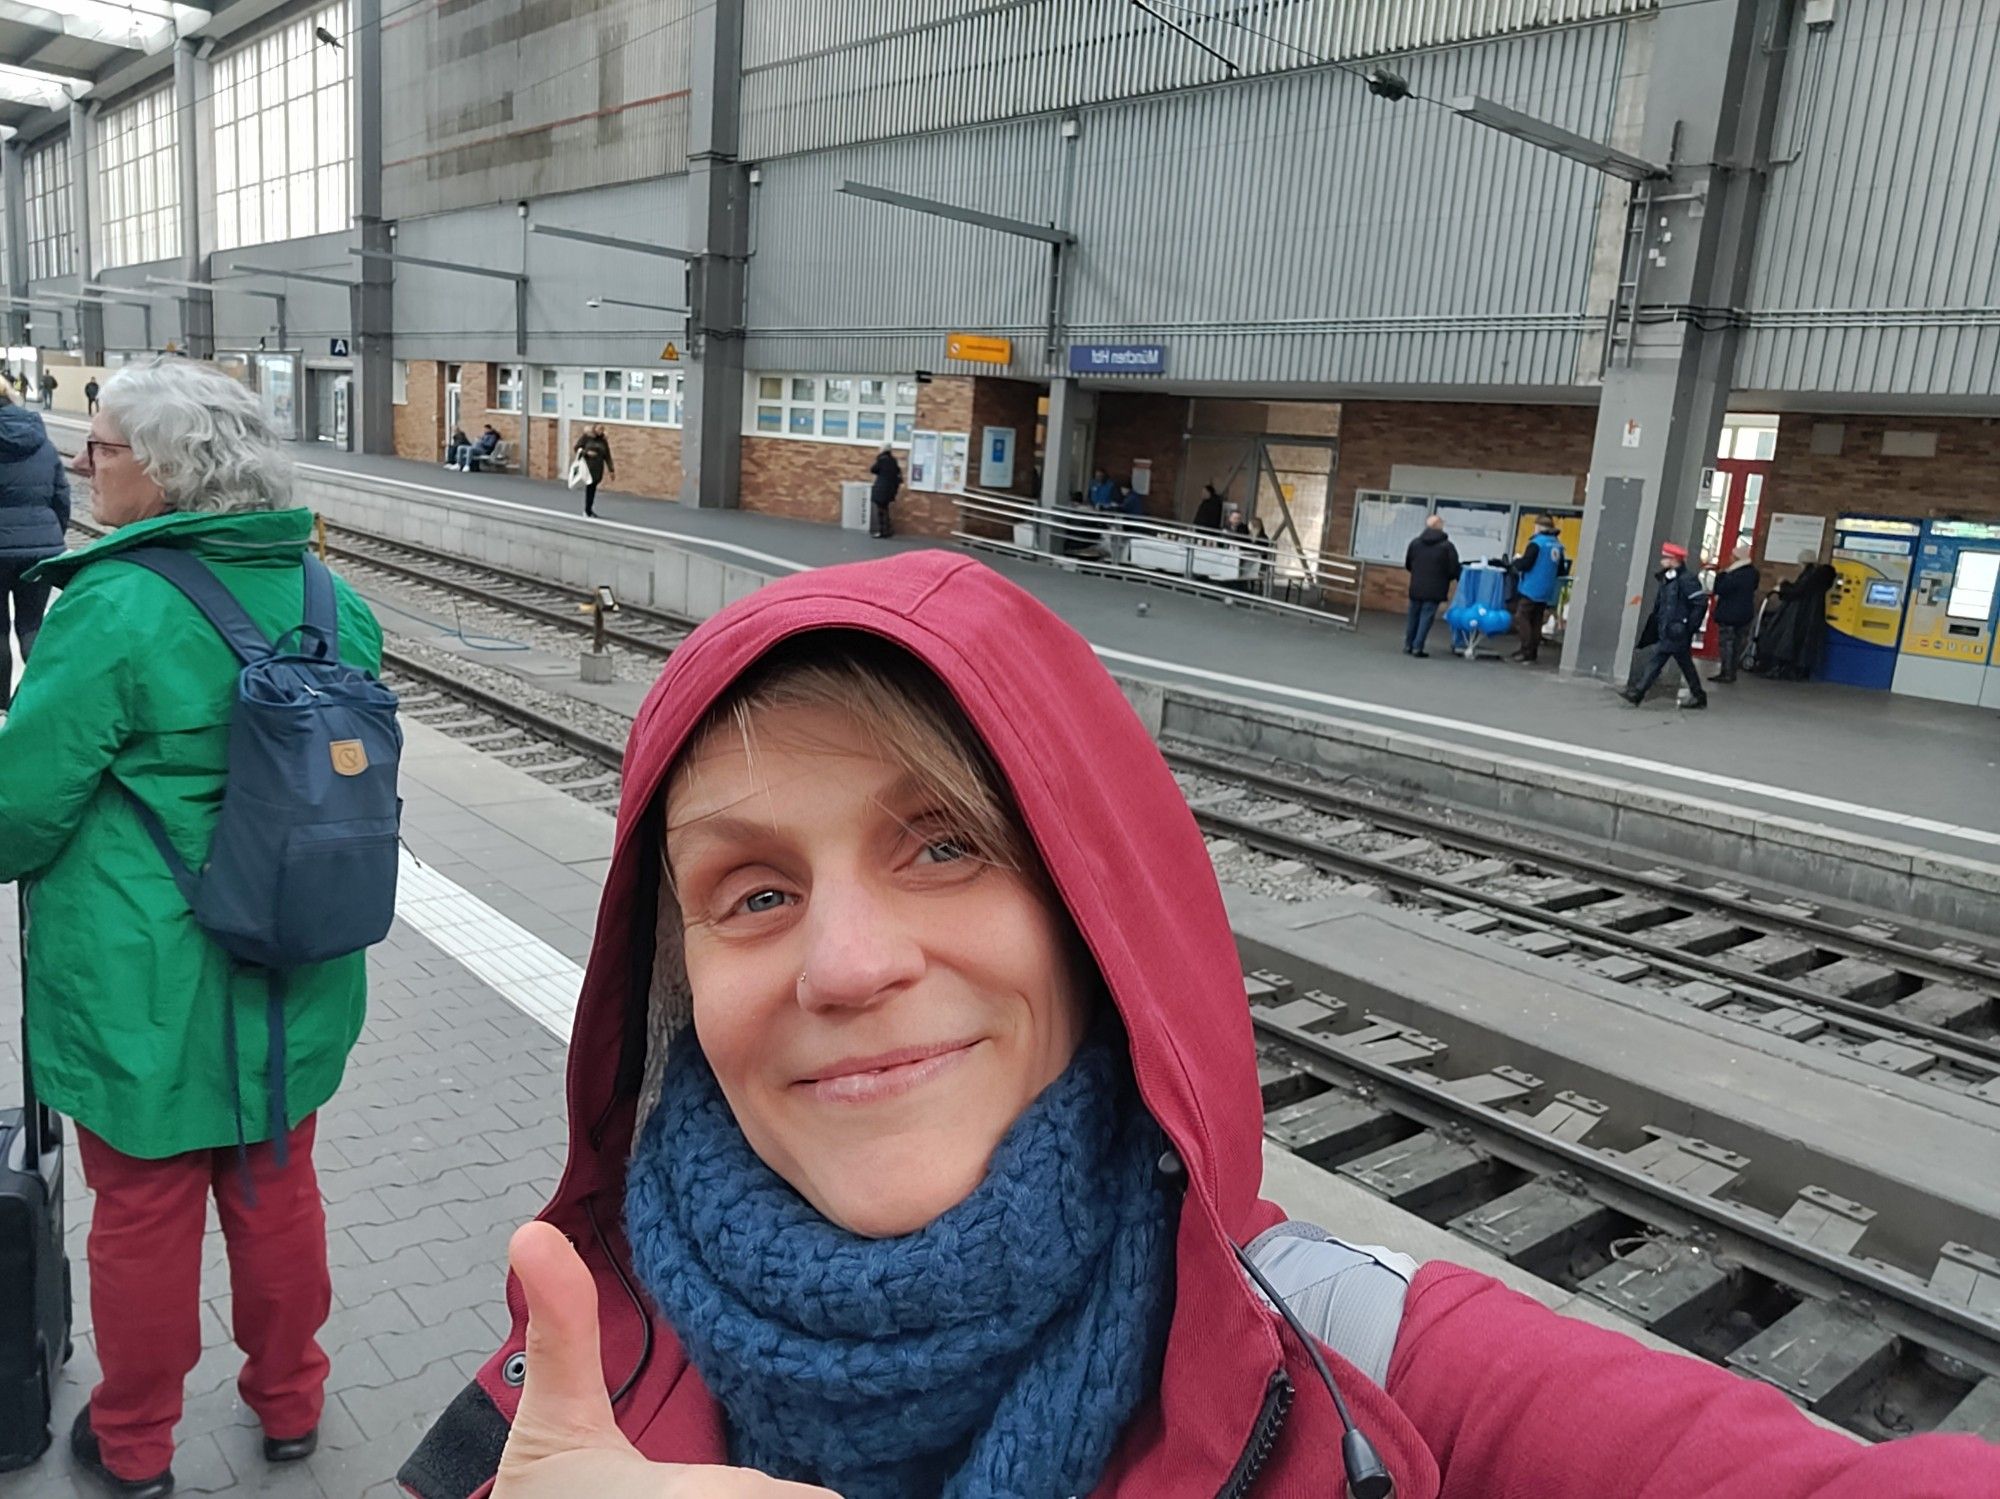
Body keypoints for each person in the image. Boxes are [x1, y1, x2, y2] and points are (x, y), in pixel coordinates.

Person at [400, 551, 1998, 1499]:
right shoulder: (565, 1401)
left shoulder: (1389, 1373)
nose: (848, 961)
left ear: (1099, 918)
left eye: (946, 841)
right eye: (750, 893)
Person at [0, 359, 384, 1497]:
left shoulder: (112, 606)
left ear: (164, 471)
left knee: (146, 1214)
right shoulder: (328, 595)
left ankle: (132, 1445)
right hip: (296, 962)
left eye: (102, 445)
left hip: (146, 985)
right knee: (277, 1189)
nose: (82, 461)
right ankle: (290, 1408)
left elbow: (16, 814)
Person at [0, 381, 69, 708]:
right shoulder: (42, 442)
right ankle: (43, 701)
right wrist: (52, 535)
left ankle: (1, 709)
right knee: (32, 625)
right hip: (40, 549)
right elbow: (61, 495)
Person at [1622, 540, 1709, 709]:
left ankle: (1637, 693)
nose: (1662, 560)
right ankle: (1698, 695)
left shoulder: (1686, 579)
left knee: (1657, 660)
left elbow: (1700, 602)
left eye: (1665, 557)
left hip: (1676, 630)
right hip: (1670, 629)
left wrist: (1689, 626)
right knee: (1685, 664)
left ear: (1674, 560)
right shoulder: (1669, 578)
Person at [1752, 559, 1835, 681]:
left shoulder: (1809, 577)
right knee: (1801, 646)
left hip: (1797, 616)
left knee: (1783, 641)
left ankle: (1778, 669)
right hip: (1810, 618)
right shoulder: (1820, 579)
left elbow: (1797, 591)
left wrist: (1782, 584)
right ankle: (1798, 672)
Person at [1503, 513, 1567, 663]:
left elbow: (1526, 564)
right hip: (1547, 589)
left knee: (1521, 617)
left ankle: (1526, 650)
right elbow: (1561, 570)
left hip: (1532, 588)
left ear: (1539, 527)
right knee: (1536, 620)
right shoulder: (1557, 545)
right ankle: (1533, 651)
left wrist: (1515, 563)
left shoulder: (1536, 543)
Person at [1402, 513, 1460, 658]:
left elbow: (1408, 564)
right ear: (1439, 526)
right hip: (1436, 588)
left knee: (1413, 616)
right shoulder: (1447, 546)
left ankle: (1408, 644)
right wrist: (1448, 577)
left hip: (1416, 586)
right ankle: (1418, 647)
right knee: (1426, 618)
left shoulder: (1415, 543)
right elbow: (1454, 569)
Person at [1709, 549, 1760, 683]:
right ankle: (1732, 671)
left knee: (1727, 642)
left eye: (1732, 556)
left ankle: (1726, 672)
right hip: (1745, 613)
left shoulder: (1733, 574)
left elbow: (1720, 589)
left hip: (1730, 612)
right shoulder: (1753, 573)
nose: (1730, 557)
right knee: (1737, 643)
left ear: (1736, 558)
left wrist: (1720, 575)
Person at [574, 424, 616, 519]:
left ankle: (589, 509)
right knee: (590, 488)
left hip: (598, 468)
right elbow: (577, 448)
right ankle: (587, 510)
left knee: (592, 489)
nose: (600, 430)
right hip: (588, 467)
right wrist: (587, 453)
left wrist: (611, 470)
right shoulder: (587, 438)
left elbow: (607, 456)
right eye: (599, 428)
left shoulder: (603, 441)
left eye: (602, 429)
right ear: (594, 429)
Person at [868, 445, 901, 539]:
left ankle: (883, 531)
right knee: (885, 508)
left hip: (881, 488)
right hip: (890, 489)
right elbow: (897, 471)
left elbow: (873, 469)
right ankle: (887, 530)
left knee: (881, 510)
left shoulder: (882, 460)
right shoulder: (893, 460)